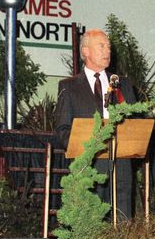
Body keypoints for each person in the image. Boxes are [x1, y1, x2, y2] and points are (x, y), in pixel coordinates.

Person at [55, 29, 137, 219]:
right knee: (91, 227)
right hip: (88, 169)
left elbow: (134, 126)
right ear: (86, 51)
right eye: (101, 46)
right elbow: (61, 131)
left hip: (121, 166)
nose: (107, 50)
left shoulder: (122, 85)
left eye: (108, 46)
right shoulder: (69, 87)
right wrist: (85, 147)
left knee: (122, 225)